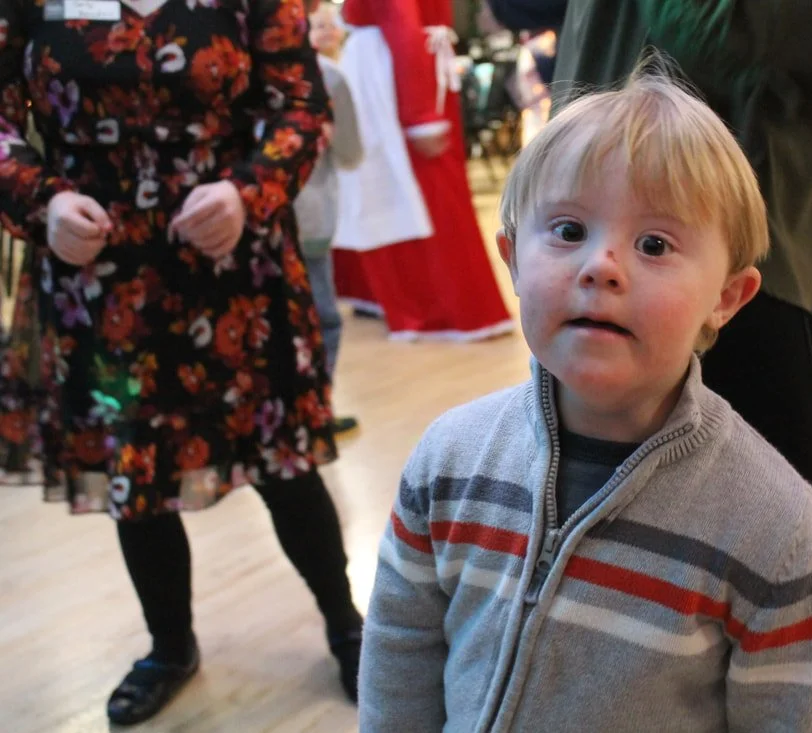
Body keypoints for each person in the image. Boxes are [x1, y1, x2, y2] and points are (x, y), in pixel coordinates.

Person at [359, 67, 812, 733]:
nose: (601, 265)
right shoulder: (447, 461)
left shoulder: (776, 534)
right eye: (567, 231)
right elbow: (399, 659)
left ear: (727, 298)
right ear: (511, 257)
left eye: (655, 244)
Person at [0, 0, 362, 724]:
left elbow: (301, 102)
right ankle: (170, 645)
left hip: (233, 264)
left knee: (282, 459)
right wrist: (41, 202)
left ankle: (347, 623)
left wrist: (246, 190)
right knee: (135, 470)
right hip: (96, 275)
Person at [552, 1, 812, 548]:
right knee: (779, 522)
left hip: (752, 184)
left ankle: (728, 623)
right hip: (674, 186)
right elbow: (705, 28)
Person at [333, 0, 514, 341]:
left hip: (395, 71)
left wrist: (420, 115)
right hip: (402, 64)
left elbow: (399, 17)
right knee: (407, 188)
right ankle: (396, 296)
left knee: (417, 190)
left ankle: (444, 309)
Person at [296, 0, 364, 436]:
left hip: (246, 216)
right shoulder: (330, 78)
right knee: (322, 316)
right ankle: (314, 410)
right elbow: (350, 152)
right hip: (309, 210)